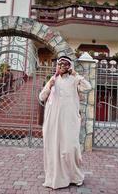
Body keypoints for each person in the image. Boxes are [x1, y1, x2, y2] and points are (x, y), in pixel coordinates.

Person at [39, 56, 92, 189]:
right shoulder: (53, 80)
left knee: (70, 148)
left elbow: (88, 87)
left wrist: (76, 74)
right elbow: (41, 97)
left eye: (65, 65)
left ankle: (74, 177)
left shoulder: (74, 80)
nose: (61, 67)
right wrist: (49, 85)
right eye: (59, 64)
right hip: (53, 120)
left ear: (69, 66)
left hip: (70, 120)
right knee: (53, 148)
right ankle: (55, 178)